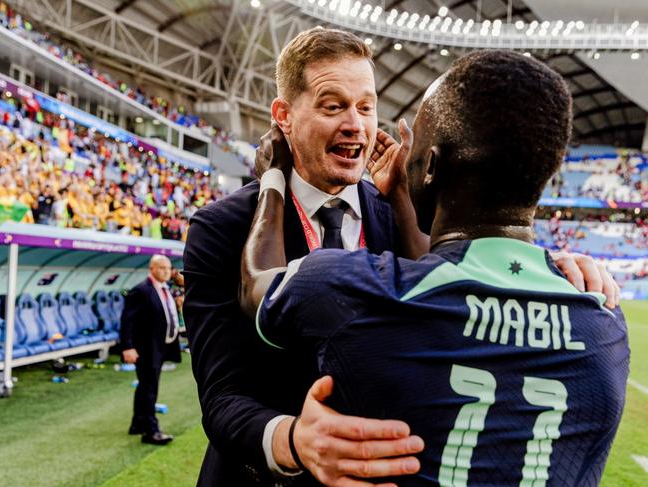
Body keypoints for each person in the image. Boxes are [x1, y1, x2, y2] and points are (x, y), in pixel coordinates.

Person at [183, 28, 619, 486]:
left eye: (366, 107)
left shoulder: (397, 217)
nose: (356, 124)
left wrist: (560, 269)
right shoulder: (222, 227)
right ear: (284, 116)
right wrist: (295, 441)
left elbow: (456, 286)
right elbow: (222, 397)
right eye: (334, 106)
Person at [120, 254, 182, 445]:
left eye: (168, 268)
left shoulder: (166, 289)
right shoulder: (141, 290)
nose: (166, 271)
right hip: (146, 349)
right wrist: (128, 347)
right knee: (149, 389)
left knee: (145, 386)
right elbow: (127, 321)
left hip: (161, 346)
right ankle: (150, 431)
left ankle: (137, 423)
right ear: (152, 269)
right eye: (162, 268)